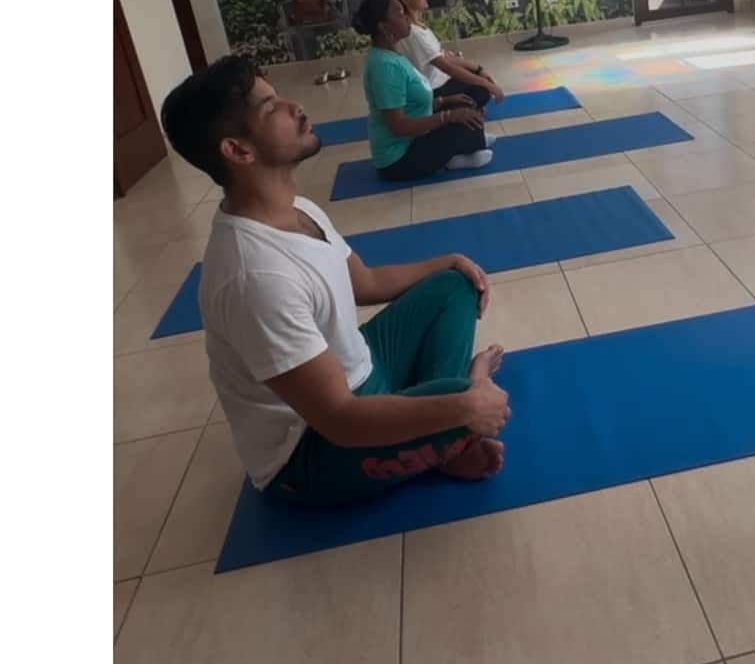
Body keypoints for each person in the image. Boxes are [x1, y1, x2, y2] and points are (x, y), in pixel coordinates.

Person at [159, 55, 511, 506]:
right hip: (313, 452)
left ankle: (437, 434)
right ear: (239, 150)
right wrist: (467, 400)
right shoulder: (254, 277)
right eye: (272, 109)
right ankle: (446, 428)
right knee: (466, 399)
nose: (296, 106)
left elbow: (363, 283)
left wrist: (447, 260)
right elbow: (341, 419)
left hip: (361, 371)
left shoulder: (299, 209)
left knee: (454, 284)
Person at [355, 0, 494, 181]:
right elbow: (399, 126)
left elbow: (410, 104)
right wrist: (449, 116)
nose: (406, 18)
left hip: (414, 139)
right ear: (384, 27)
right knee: (459, 116)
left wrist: (444, 101)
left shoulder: (392, 55)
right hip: (399, 160)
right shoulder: (385, 66)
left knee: (465, 103)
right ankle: (459, 154)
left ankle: (466, 145)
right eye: (399, 14)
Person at [389, 0, 505, 111]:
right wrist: (487, 84)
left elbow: (443, 55)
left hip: (440, 80)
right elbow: (445, 66)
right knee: (481, 90)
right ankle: (446, 110)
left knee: (476, 80)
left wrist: (479, 70)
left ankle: (462, 108)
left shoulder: (418, 26)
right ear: (406, 0)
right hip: (432, 90)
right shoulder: (412, 32)